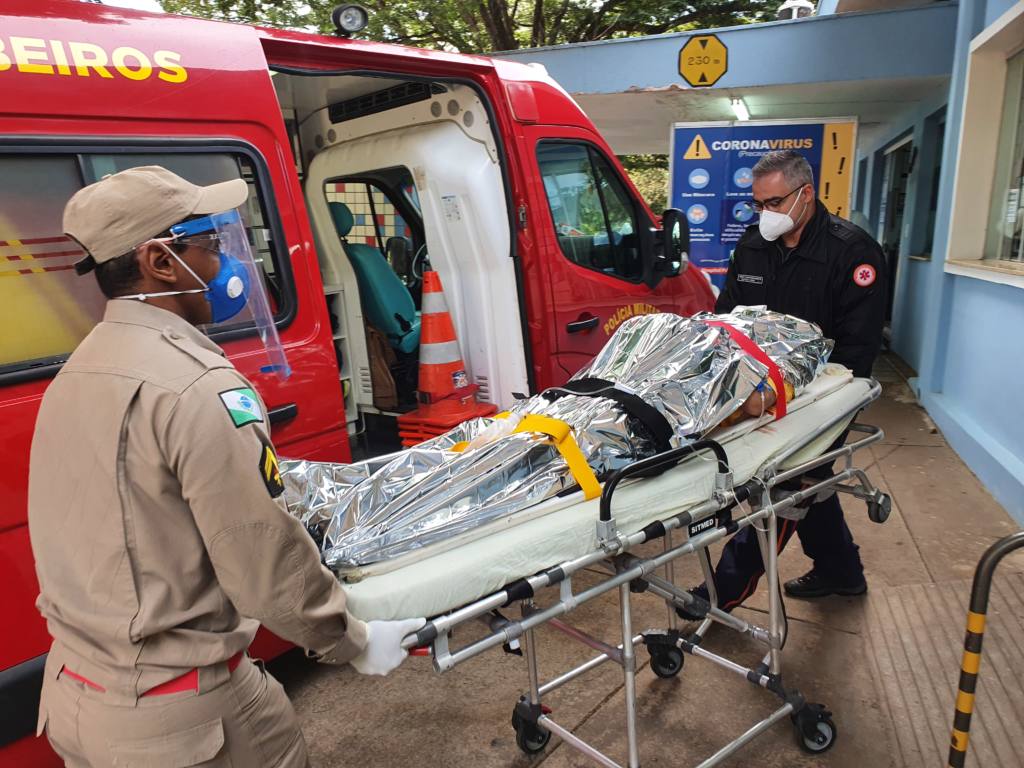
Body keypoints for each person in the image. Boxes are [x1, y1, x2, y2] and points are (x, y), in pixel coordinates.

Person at [28, 166, 424, 768]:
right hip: (182, 719)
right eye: (211, 247)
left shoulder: (79, 371)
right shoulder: (196, 385)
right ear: (161, 262)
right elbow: (260, 558)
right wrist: (353, 639)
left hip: (75, 698)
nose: (227, 265)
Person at [681, 149, 887, 618]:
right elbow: (728, 321)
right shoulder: (754, 245)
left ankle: (718, 595)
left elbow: (856, 352)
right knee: (813, 487)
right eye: (759, 204)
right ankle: (842, 573)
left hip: (824, 395)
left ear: (805, 195)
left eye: (775, 203)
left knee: (782, 487)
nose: (766, 214)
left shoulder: (852, 252)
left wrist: (816, 407)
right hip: (759, 392)